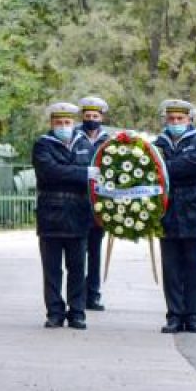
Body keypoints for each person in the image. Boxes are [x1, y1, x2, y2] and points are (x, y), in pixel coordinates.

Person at [32, 102, 98, 329]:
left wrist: (76, 175)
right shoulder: (42, 145)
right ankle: (54, 312)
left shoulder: (84, 145)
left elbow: (94, 176)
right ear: (52, 123)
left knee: (78, 268)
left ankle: (77, 312)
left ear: (73, 123)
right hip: (51, 215)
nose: (63, 126)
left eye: (67, 122)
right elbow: (50, 173)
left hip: (79, 214)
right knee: (52, 270)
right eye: (59, 122)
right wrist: (83, 174)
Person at [153, 99, 196, 334]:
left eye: (180, 118)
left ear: (190, 120)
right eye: (171, 119)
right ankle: (174, 316)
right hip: (167, 210)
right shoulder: (158, 144)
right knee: (171, 269)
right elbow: (149, 169)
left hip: (194, 208)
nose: (175, 122)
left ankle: (194, 316)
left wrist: (166, 167)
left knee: (194, 267)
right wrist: (181, 166)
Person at [77, 95, 110, 311]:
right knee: (78, 254)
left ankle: (93, 295)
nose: (91, 120)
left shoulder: (109, 141)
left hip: (99, 206)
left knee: (95, 253)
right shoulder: (75, 138)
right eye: (88, 116)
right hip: (78, 204)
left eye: (95, 116)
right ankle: (78, 295)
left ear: (101, 117)